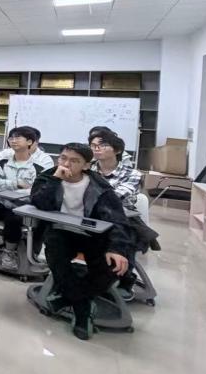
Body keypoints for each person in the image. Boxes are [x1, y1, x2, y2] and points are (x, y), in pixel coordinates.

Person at [31, 143, 135, 340]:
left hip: (93, 236)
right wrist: (56, 180)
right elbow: (39, 203)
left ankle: (67, 298)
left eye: (74, 161)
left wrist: (117, 249)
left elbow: (118, 220)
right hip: (60, 232)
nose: (66, 164)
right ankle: (82, 309)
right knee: (55, 251)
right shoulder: (48, 177)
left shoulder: (99, 187)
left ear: (86, 165)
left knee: (112, 265)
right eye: (63, 158)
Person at [90, 130, 156, 299]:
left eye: (103, 145)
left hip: (123, 218)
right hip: (91, 216)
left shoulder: (132, 174)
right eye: (93, 145)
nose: (96, 149)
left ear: (117, 150)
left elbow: (114, 198)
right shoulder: (87, 169)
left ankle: (126, 280)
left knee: (124, 235)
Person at [0, 126, 47, 271]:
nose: (13, 140)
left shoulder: (38, 166)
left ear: (30, 142)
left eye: (18, 138)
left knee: (14, 218)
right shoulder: (3, 160)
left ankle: (9, 253)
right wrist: (15, 184)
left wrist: (7, 187)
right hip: (2, 202)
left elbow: (36, 190)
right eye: (11, 138)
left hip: (24, 206)